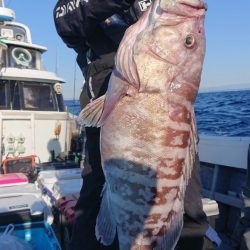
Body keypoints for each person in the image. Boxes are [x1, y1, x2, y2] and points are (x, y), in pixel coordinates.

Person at [53, 1, 220, 249]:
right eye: (188, 41)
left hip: (167, 130)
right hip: (109, 128)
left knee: (187, 214)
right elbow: (65, 20)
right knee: (91, 217)